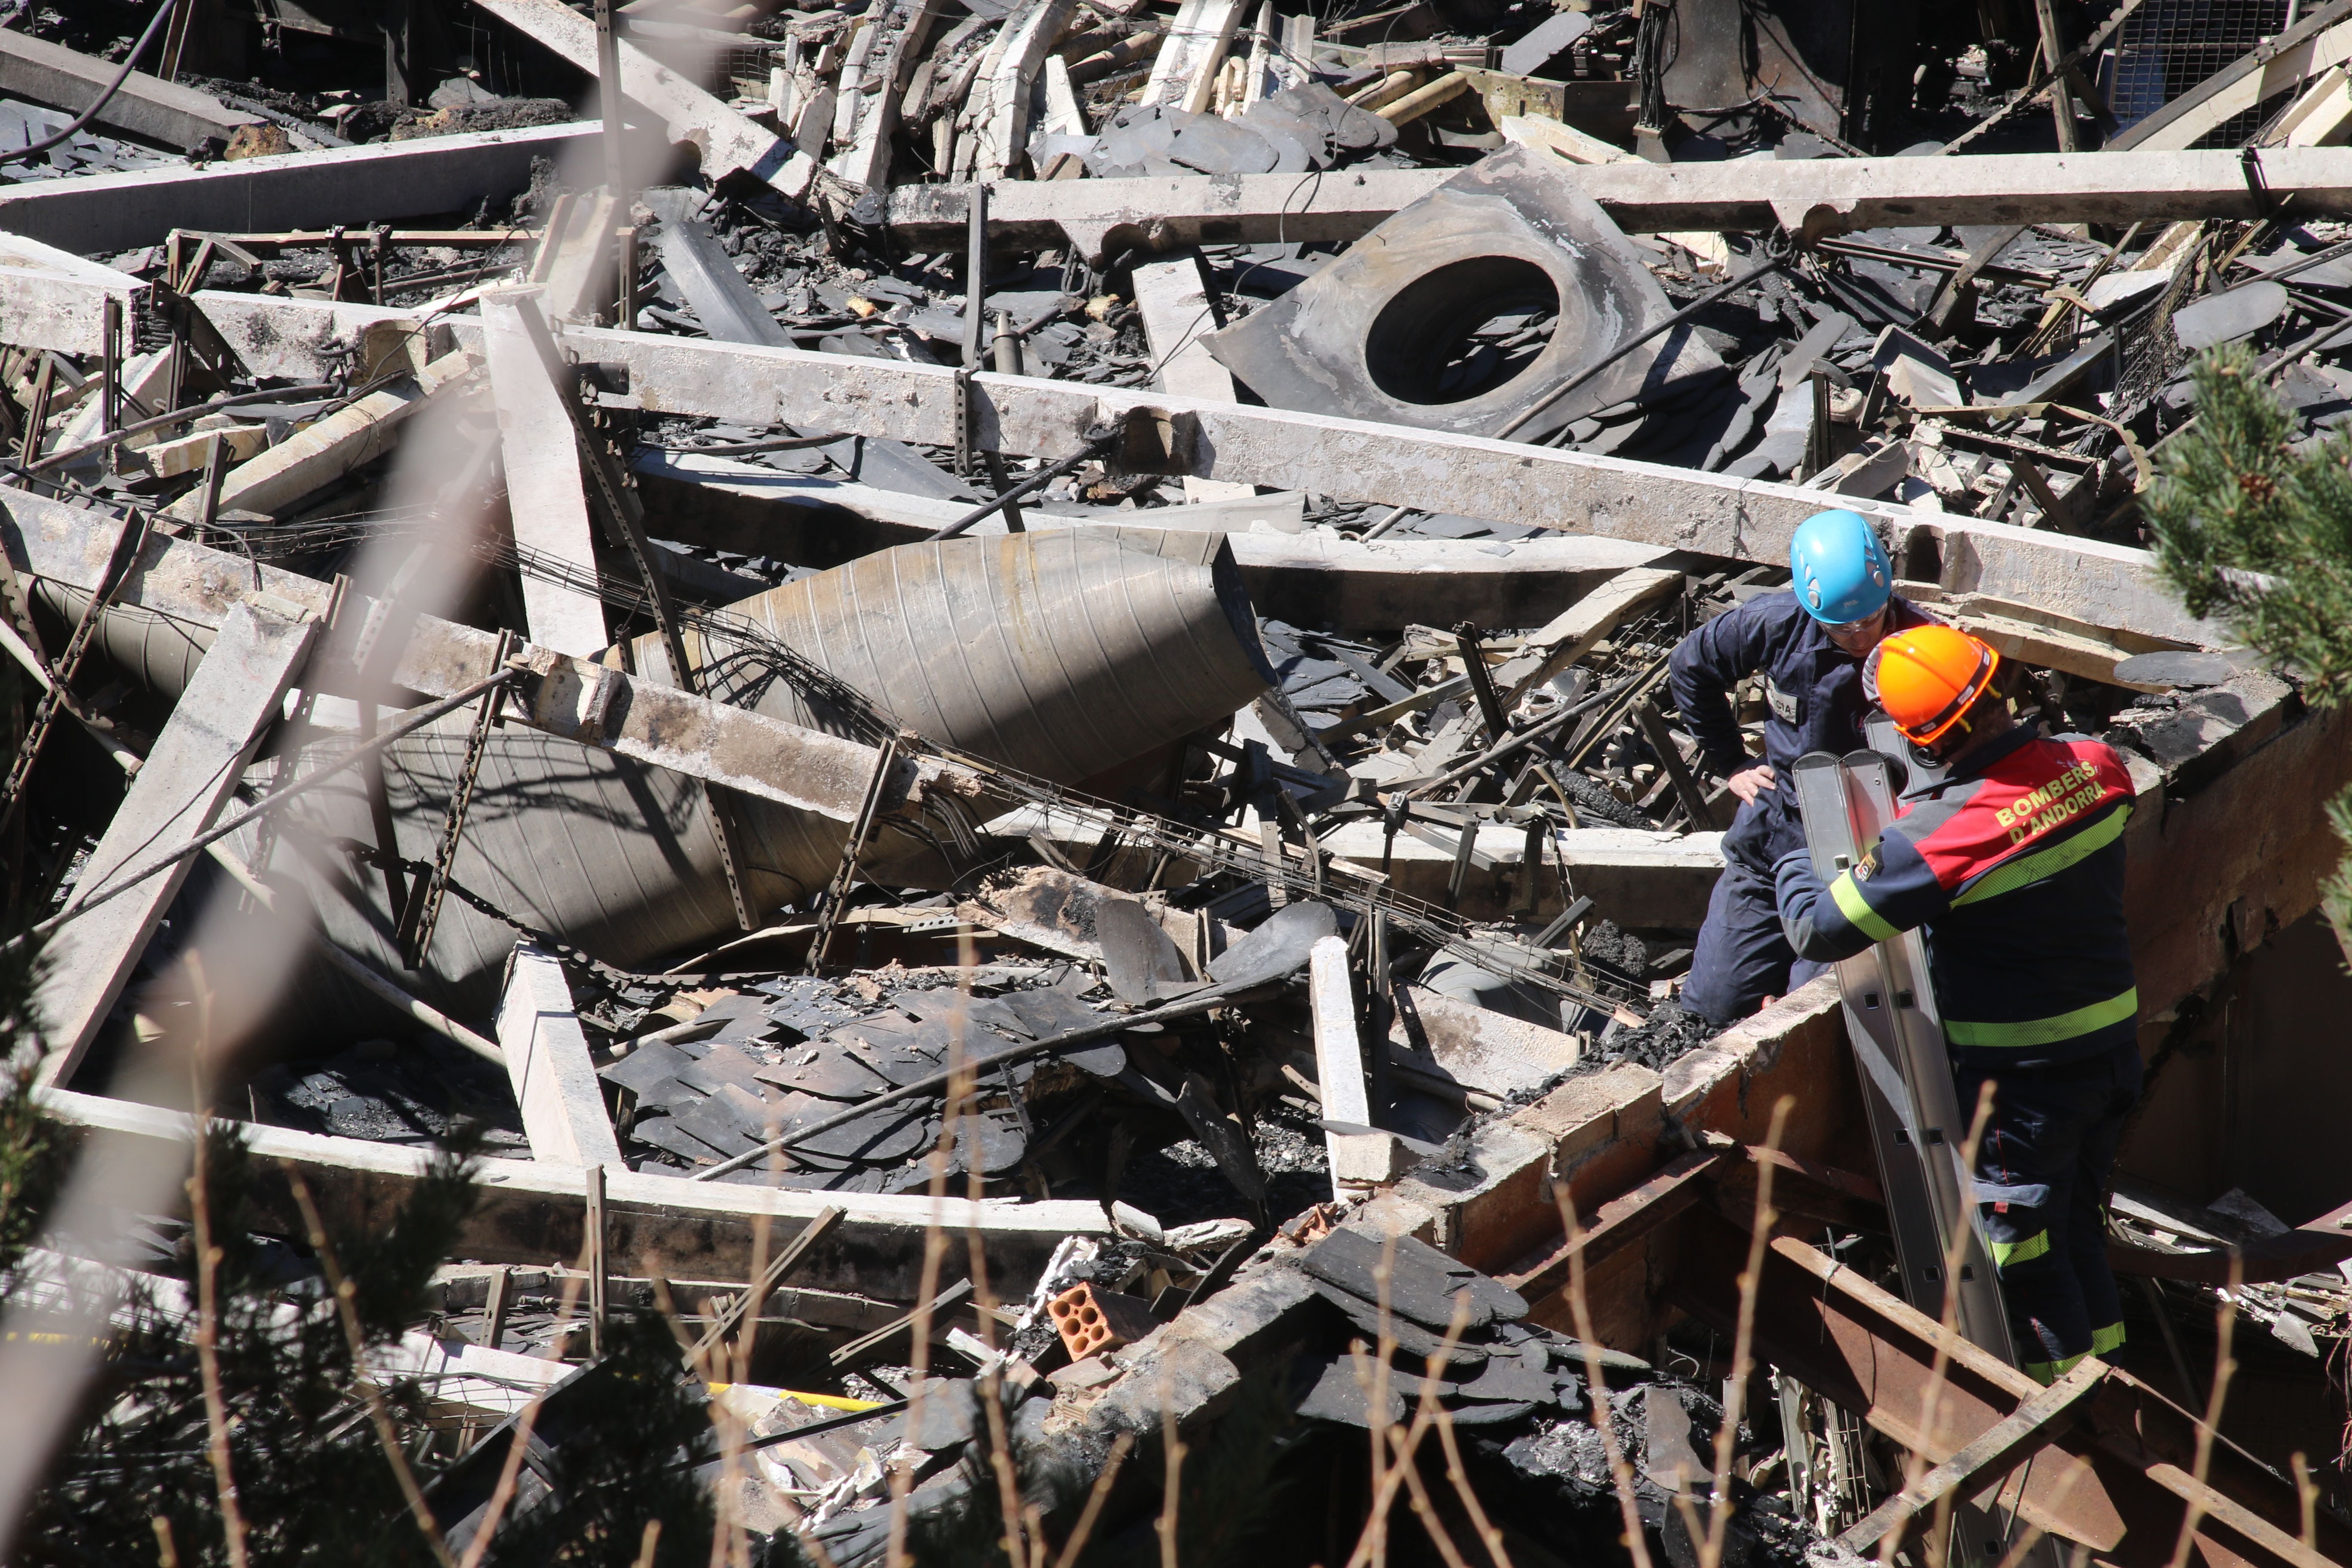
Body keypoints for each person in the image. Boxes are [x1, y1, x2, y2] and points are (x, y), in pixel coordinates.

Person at [1773, 625, 2141, 1384]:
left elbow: (1820, 925)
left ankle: (2070, 1427)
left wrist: (1784, 854)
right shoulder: (2096, 766)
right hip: (2109, 1055)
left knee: (2022, 1259)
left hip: (2021, 1087)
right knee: (2076, 1229)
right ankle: (2117, 1383)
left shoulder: (1942, 837)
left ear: (1921, 740)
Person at [1667, 509, 1930, 1024]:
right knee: (1714, 1007)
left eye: (1869, 621)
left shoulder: (1927, 641)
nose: (1859, 638)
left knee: (1820, 1010)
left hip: (1875, 849)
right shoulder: (1775, 623)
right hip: (1780, 828)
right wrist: (1732, 763)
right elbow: (1690, 667)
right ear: (1813, 610)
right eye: (1841, 627)